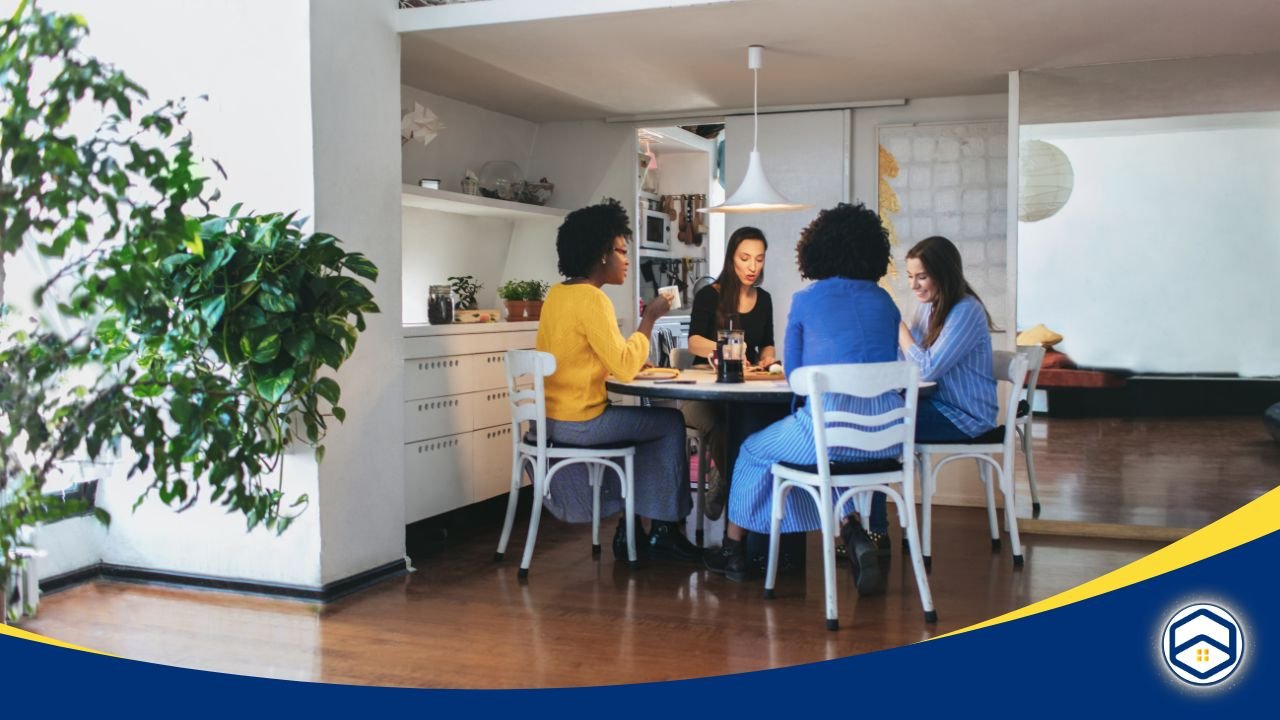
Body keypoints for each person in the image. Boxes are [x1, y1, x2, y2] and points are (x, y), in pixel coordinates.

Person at [706, 203, 903, 595]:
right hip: (887, 436)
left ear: (817, 249)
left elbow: (796, 378)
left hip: (826, 431)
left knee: (752, 451)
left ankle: (733, 549)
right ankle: (852, 531)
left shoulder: (807, 300)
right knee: (827, 457)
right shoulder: (886, 302)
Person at [535, 200, 700, 563]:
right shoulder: (593, 300)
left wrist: (621, 364)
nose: (627, 259)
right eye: (621, 251)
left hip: (554, 421)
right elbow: (625, 367)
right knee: (670, 422)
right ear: (601, 255)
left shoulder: (557, 296)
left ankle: (634, 533)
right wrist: (650, 318)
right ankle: (662, 532)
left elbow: (583, 359)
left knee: (648, 427)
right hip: (582, 424)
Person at [682, 226, 776, 520]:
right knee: (723, 423)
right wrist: (728, 348)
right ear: (731, 258)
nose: (752, 267)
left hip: (742, 390)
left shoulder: (764, 299)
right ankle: (736, 490)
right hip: (702, 394)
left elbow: (767, 345)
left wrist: (767, 359)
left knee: (759, 422)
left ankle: (733, 489)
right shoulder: (710, 296)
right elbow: (694, 341)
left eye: (759, 259)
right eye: (745, 258)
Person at [898, 235, 998, 444]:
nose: (913, 285)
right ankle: (892, 476)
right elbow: (910, 358)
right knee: (877, 411)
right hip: (937, 404)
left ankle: (893, 476)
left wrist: (899, 327)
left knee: (880, 420)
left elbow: (925, 370)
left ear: (944, 275)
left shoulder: (966, 310)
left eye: (922, 277)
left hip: (966, 417)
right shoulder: (926, 307)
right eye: (910, 276)